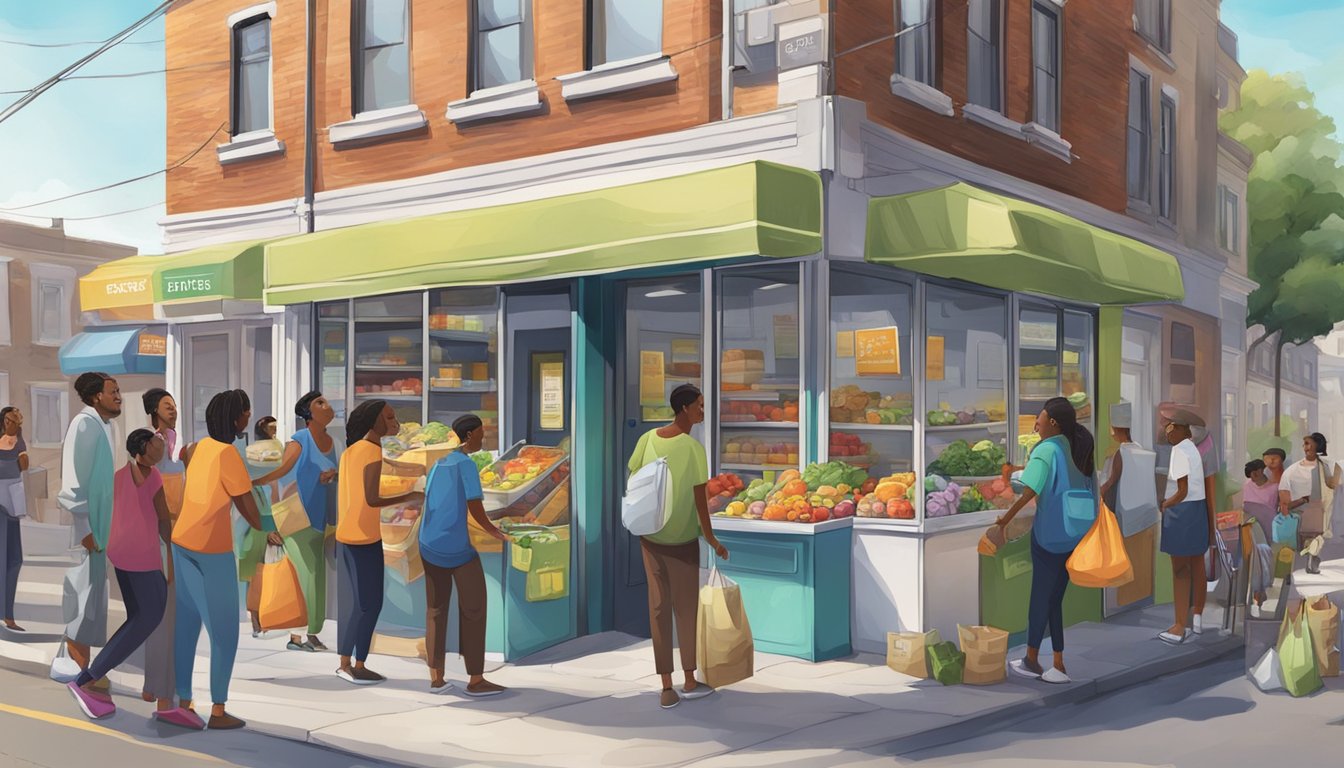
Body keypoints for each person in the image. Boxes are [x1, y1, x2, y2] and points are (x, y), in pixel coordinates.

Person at [627, 384, 730, 709]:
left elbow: (634, 480)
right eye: (699, 405)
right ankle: (688, 678)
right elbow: (701, 503)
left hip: (650, 538)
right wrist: (711, 539)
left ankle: (666, 686)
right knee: (686, 611)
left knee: (657, 610)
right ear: (684, 408)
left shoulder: (647, 440)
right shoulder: (693, 449)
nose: (702, 411)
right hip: (683, 541)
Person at [66, 430, 180, 722]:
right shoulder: (137, 477)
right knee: (150, 615)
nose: (161, 449)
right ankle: (88, 678)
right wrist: (169, 554)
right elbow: (164, 518)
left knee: (139, 617)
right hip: (139, 556)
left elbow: (157, 516)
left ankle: (91, 677)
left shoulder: (134, 476)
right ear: (142, 448)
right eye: (156, 445)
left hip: (124, 556)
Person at [167, 390, 264, 731]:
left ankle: (183, 702)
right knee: (224, 633)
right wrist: (270, 526)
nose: (249, 417)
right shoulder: (228, 454)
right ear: (235, 418)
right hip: (212, 551)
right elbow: (247, 507)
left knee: (187, 626)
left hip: (182, 543)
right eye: (246, 412)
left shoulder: (194, 448)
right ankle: (219, 711)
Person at [998, 397, 1095, 685]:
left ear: (1052, 422)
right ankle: (1058, 663)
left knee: (1040, 598)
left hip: (1048, 535)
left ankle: (1030, 659)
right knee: (1055, 600)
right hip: (1072, 535)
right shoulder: (1075, 447)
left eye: (1039, 418)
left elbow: (1029, 491)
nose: (1035, 424)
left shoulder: (1047, 449)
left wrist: (1004, 520)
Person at [420, 414, 509, 697]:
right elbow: (476, 509)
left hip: (428, 543)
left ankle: (437, 678)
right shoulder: (466, 465)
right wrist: (495, 532)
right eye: (481, 433)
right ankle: (475, 679)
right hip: (455, 548)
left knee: (436, 609)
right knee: (473, 610)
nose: (484, 438)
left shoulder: (440, 462)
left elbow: (433, 501)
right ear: (469, 435)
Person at [335, 400, 423, 685]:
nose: (394, 421)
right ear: (374, 422)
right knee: (371, 604)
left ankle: (344, 662)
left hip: (345, 535)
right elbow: (372, 498)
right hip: (364, 537)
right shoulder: (372, 452)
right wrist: (411, 497)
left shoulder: (351, 451)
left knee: (353, 605)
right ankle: (359, 665)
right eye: (389, 417)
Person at [252, 392, 339, 652]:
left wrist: (332, 476)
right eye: (320, 403)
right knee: (307, 575)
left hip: (320, 518)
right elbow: (279, 472)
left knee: (318, 576)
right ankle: (299, 636)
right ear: (308, 414)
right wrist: (251, 483)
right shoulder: (300, 441)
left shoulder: (333, 443)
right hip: (296, 516)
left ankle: (312, 632)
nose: (328, 406)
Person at [57, 372, 120, 688]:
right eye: (113, 391)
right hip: (89, 527)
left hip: (103, 524)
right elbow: (73, 479)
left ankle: (79, 663)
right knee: (85, 593)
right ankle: (80, 668)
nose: (119, 396)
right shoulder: (84, 425)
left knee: (94, 594)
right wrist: (84, 526)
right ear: (97, 396)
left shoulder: (107, 426)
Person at [140, 390, 182, 711]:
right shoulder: (155, 445)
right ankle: (164, 694)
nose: (174, 410)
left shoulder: (171, 442)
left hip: (174, 536)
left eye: (175, 406)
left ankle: (154, 685)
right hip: (163, 538)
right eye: (168, 406)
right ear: (155, 410)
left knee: (164, 614)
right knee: (166, 616)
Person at [1157, 410, 1213, 644]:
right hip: (1197, 511)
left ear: (1182, 429)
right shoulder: (1193, 449)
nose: (1167, 432)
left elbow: (1181, 490)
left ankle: (1179, 626)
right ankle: (1196, 617)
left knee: (1180, 571)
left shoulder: (1179, 451)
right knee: (1197, 564)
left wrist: (1164, 504)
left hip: (1181, 513)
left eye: (1171, 428)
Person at [237, 418, 283, 638]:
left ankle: (267, 617)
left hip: (270, 523)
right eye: (271, 429)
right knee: (256, 576)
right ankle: (256, 621)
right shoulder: (250, 484)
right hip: (257, 529)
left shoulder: (272, 480)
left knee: (269, 573)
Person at [1277, 432, 1338, 574]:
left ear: (1319, 445)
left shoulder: (1328, 467)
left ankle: (1310, 557)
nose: (1305, 447)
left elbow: (1335, 488)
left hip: (1319, 512)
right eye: (1305, 444)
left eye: (1309, 444)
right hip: (1299, 514)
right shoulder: (1291, 471)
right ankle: (1308, 558)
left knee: (1315, 537)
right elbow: (1284, 499)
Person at [1096, 402, 1157, 538]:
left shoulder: (1121, 452)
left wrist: (1100, 492)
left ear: (1117, 429)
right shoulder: (1140, 449)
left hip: (1125, 515)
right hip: (1145, 516)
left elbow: (1112, 480)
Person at [0, 406, 28, 632]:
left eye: (17, 422)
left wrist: (20, 448)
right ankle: (6, 616)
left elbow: (24, 467)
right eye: (10, 421)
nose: (13, 425)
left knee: (15, 559)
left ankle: (8, 613)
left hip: (13, 503)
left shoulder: (19, 443)